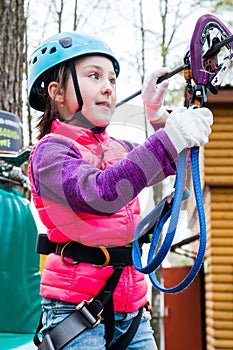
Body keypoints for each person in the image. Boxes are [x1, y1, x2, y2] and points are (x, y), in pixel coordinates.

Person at [27, 31, 213, 350]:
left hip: (133, 309)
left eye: (112, 79)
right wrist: (168, 139)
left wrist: (158, 121)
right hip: (75, 312)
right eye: (94, 76)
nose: (107, 87)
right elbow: (100, 194)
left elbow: (161, 165)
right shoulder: (50, 154)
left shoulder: (118, 148)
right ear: (56, 93)